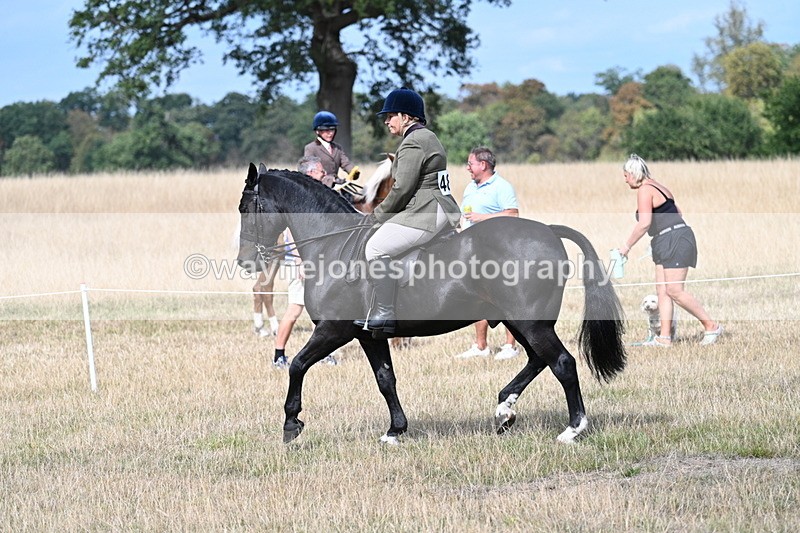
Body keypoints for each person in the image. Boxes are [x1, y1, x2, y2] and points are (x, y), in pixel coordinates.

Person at [354, 88, 461, 335]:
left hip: (426, 210)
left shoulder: (412, 141)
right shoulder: (428, 137)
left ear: (406, 116)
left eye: (390, 115)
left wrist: (377, 216)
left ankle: (385, 313)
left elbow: (402, 188)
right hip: (439, 207)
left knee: (375, 247)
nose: (386, 121)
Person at [618, 153, 723, 347]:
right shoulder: (659, 186)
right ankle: (664, 338)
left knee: (674, 290)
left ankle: (711, 326)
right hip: (666, 239)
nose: (625, 180)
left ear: (633, 174)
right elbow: (678, 213)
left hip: (675, 239)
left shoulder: (644, 190)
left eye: (625, 175)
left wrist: (626, 247)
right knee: (662, 291)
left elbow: (644, 223)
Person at [455, 147, 521, 360]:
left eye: (470, 163)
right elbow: (465, 214)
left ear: (483, 165)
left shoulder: (502, 187)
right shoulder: (470, 187)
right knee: (477, 297)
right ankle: (481, 346)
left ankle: (510, 346)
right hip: (472, 251)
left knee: (505, 297)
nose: (467, 168)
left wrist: (481, 218)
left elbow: (512, 215)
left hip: (497, 251)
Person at [273, 155, 339, 368]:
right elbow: (295, 234)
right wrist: (302, 261)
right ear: (310, 173)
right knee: (294, 309)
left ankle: (323, 352)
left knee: (322, 309)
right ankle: (279, 356)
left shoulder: (312, 196)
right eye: (321, 171)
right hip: (302, 262)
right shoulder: (300, 200)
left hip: (317, 261)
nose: (324, 174)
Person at [303, 111, 360, 186]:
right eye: (327, 130)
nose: (330, 133)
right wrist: (330, 180)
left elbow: (346, 163)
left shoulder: (337, 148)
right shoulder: (311, 148)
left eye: (332, 130)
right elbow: (311, 172)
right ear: (317, 131)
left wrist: (353, 171)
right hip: (319, 188)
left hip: (336, 186)